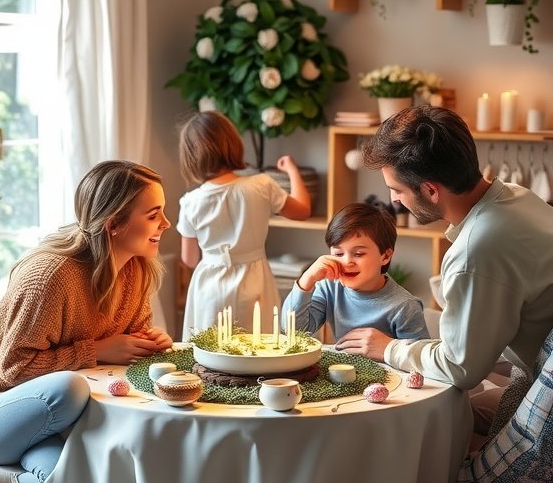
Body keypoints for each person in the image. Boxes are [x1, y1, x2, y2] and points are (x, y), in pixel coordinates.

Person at [347, 107, 553, 428]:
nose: (394, 199)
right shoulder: (518, 196)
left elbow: (461, 369)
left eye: (397, 189)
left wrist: (389, 348)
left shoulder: (476, 251)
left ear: (431, 190)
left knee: (435, 427)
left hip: (543, 390)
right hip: (533, 367)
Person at [0, 159, 173, 483]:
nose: (166, 224)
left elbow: (127, 341)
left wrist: (147, 341)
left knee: (78, 482)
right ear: (113, 224)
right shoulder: (50, 277)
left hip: (51, 426)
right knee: (68, 389)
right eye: (153, 215)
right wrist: (96, 350)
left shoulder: (135, 269)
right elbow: (14, 368)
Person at [177, 111, 311, 338]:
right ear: (232, 144)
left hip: (209, 286)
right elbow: (302, 210)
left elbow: (189, 259)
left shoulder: (190, 201)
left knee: (211, 352)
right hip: (254, 278)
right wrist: (292, 170)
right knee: (258, 346)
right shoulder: (261, 185)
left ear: (191, 156)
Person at [281, 202, 428, 342]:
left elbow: (418, 361)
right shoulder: (329, 287)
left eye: (358, 254)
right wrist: (307, 280)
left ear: (386, 256)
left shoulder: (405, 306)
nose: (347, 262)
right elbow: (293, 332)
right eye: (339, 254)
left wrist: (386, 348)